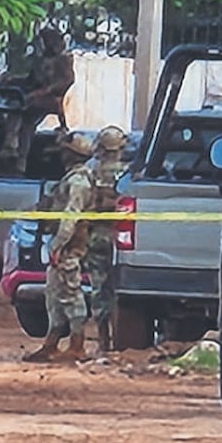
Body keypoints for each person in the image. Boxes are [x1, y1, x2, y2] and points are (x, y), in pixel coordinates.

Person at [23, 131, 95, 363]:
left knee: (71, 293)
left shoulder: (79, 182)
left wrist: (58, 245)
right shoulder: (70, 178)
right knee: (54, 295)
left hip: (69, 247)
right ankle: (51, 343)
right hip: (61, 244)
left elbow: (70, 218)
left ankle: (77, 344)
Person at [1, 27, 75, 174]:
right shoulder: (41, 60)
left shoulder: (63, 59)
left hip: (51, 99)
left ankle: (11, 143)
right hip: (37, 96)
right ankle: (18, 159)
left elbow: (65, 81)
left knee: (21, 106)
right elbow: (31, 80)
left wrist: (41, 92)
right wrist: (13, 79)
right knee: (25, 124)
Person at [85, 125, 129, 354]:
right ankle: (120, 341)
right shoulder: (130, 172)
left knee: (100, 287)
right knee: (120, 289)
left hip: (99, 235)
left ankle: (104, 341)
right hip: (124, 237)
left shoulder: (91, 170)